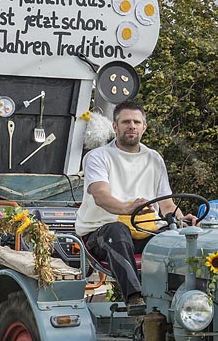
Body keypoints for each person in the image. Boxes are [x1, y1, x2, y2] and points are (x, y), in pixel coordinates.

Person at [74, 100, 195, 315]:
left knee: (178, 237)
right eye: (126, 121)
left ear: (144, 127)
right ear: (115, 126)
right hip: (101, 233)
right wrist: (127, 208)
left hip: (145, 231)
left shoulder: (154, 158)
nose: (132, 126)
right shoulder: (98, 157)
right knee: (116, 230)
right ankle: (135, 299)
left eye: (136, 122)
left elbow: (166, 204)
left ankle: (188, 300)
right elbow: (101, 196)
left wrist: (182, 218)